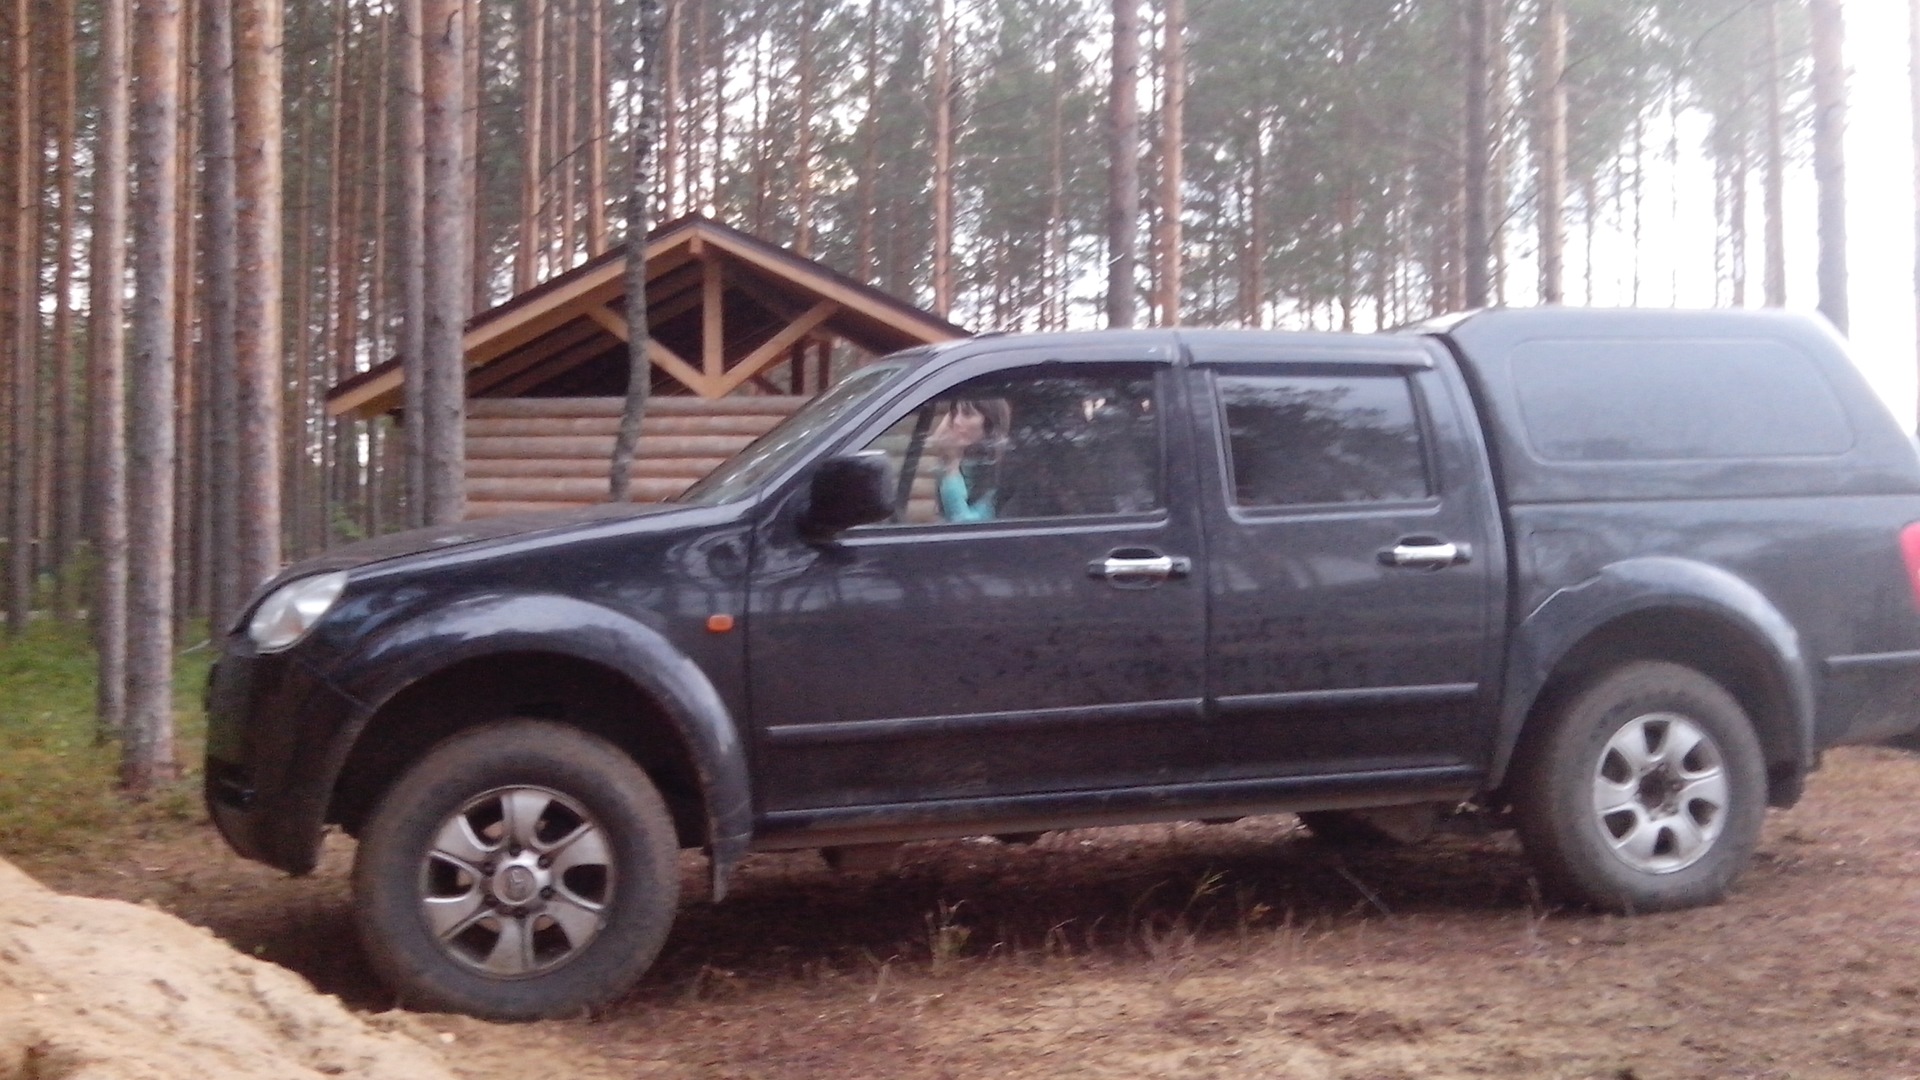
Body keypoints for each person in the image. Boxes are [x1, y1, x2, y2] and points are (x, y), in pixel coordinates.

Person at [925, 397, 1010, 523]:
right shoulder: (965, 461)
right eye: (955, 414)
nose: (956, 422)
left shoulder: (1003, 471)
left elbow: (963, 524)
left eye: (967, 414)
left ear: (989, 422)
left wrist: (952, 465)